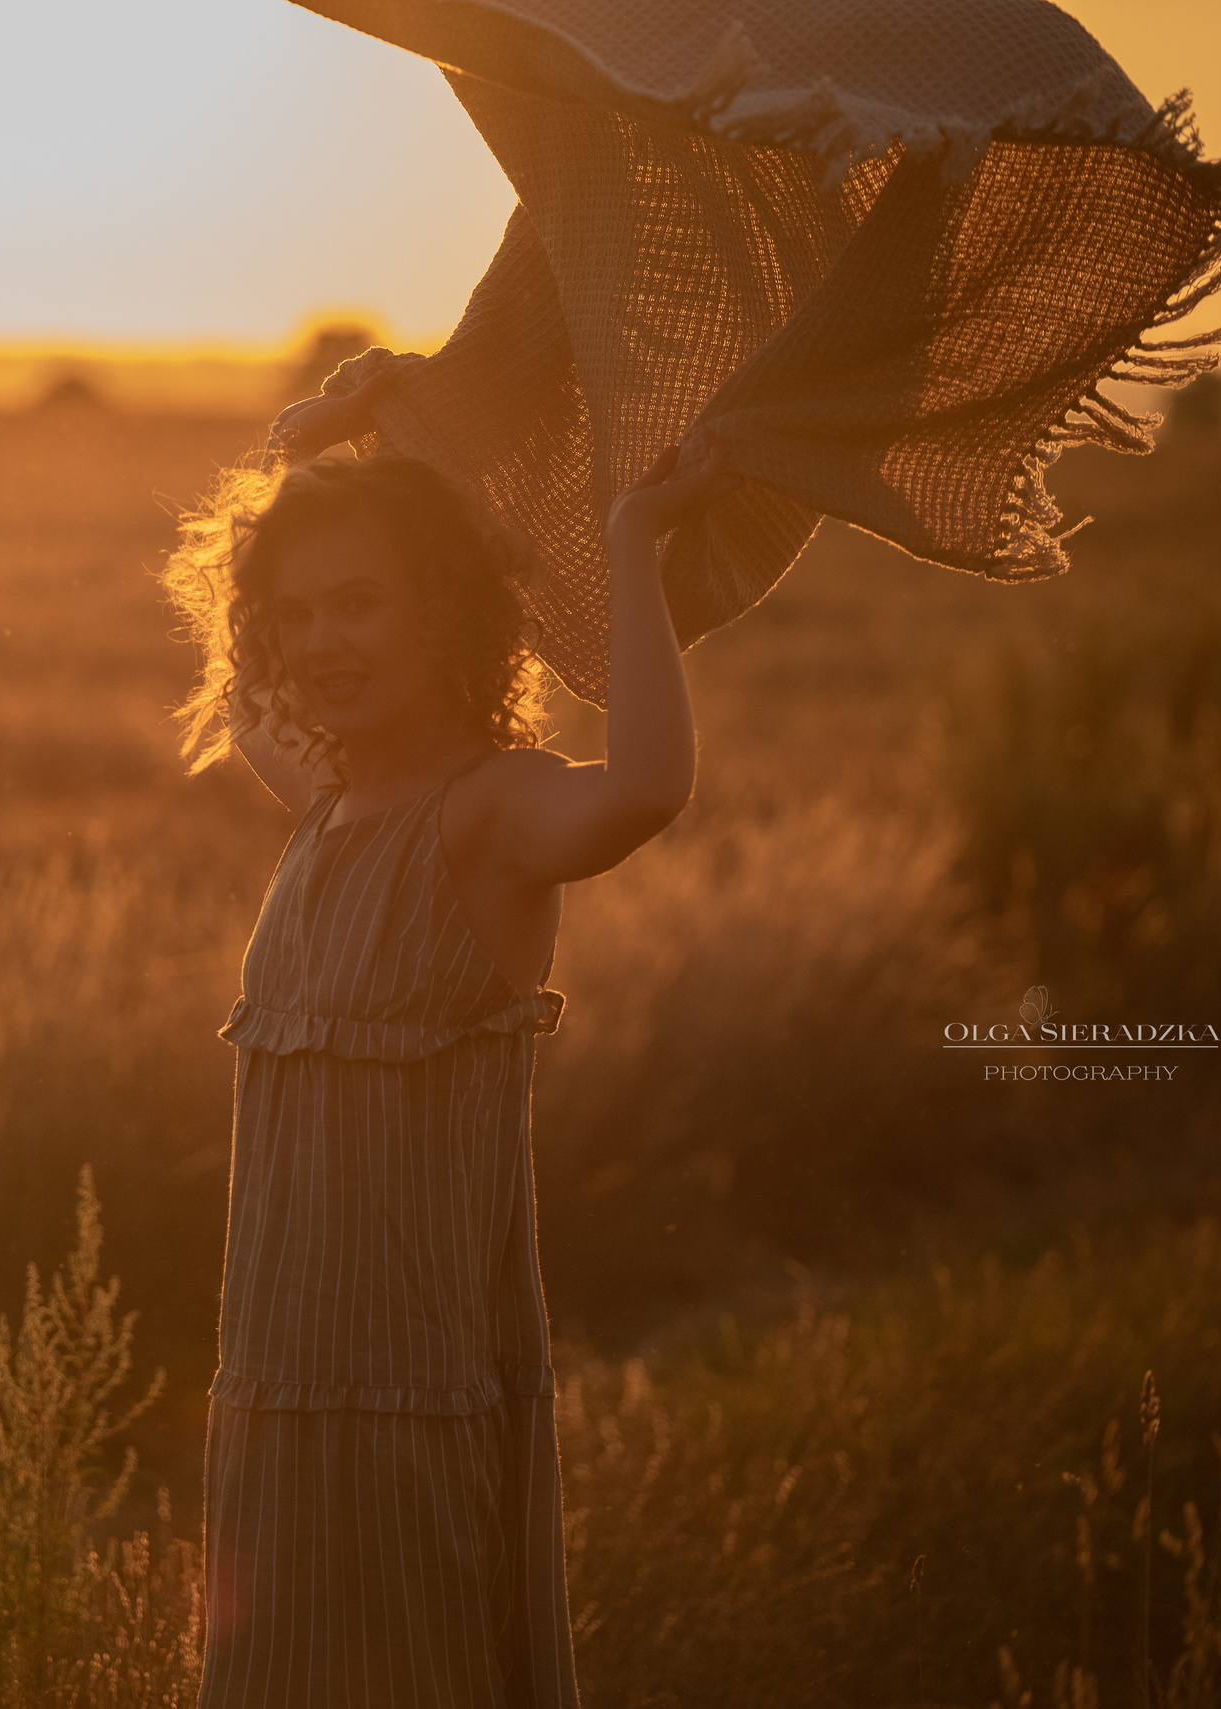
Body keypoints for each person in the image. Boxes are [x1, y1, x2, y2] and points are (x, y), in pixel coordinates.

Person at [159, 380, 739, 1705]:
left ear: (447, 611)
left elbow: (646, 788)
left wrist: (635, 541)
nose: (320, 639)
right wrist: (293, 456)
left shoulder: (491, 813)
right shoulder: (326, 805)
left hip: (413, 1395)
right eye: (296, 612)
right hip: (282, 1382)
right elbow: (250, 679)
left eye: (358, 602)